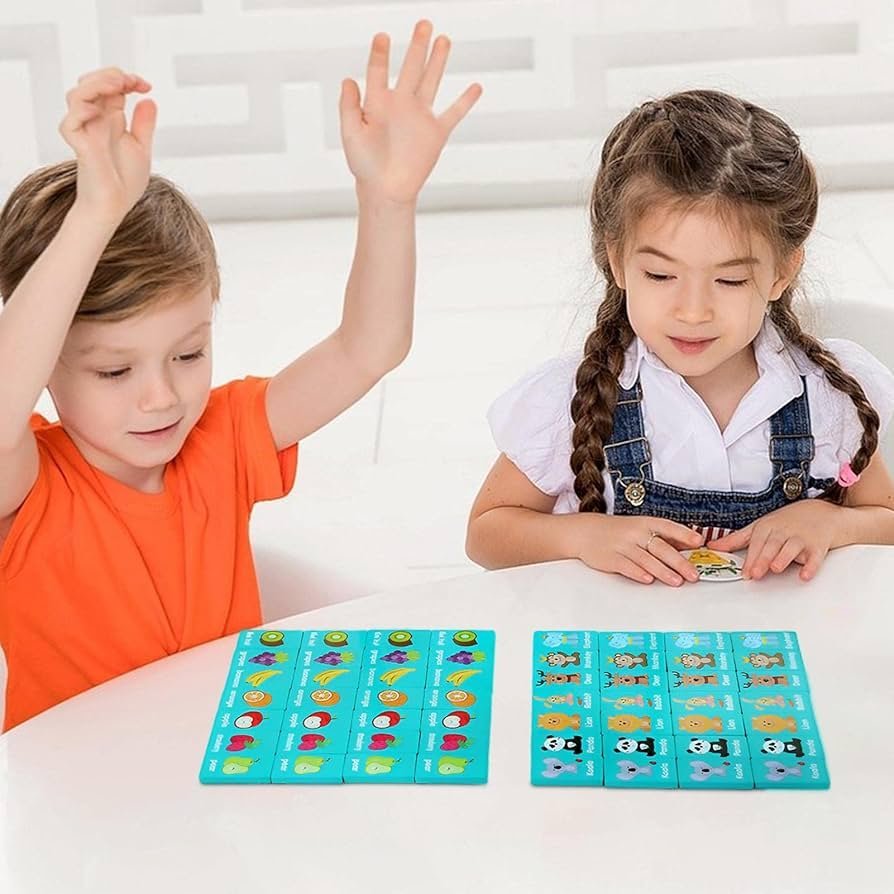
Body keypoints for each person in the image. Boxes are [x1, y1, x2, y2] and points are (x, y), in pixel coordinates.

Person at [0, 21, 481, 731]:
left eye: (188, 354)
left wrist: (389, 199)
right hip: (73, 788)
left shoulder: (220, 438)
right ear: (43, 363)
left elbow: (368, 348)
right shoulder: (28, 485)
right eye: (114, 370)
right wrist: (95, 213)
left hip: (221, 763)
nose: (161, 397)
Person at [467, 90, 894, 587]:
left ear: (782, 271)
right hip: (621, 635)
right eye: (660, 276)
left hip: (781, 635)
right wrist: (583, 535)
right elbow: (486, 534)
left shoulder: (826, 397)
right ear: (617, 260)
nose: (693, 311)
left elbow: (885, 520)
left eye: (730, 280)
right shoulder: (572, 397)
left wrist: (833, 522)